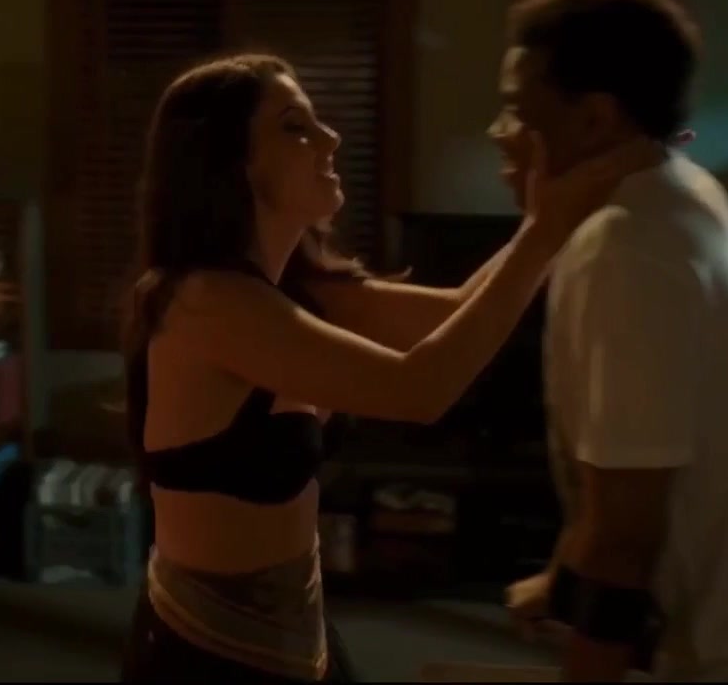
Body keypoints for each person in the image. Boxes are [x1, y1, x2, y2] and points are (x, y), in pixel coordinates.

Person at [117, 52, 652, 683]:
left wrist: (550, 221)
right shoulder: (208, 300)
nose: (331, 138)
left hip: (297, 629)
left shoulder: (296, 286)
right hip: (207, 649)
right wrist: (545, 229)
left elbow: (452, 312)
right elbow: (418, 388)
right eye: (296, 127)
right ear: (230, 163)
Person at [493, 0, 728, 682]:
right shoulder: (683, 188)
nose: (500, 134)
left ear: (594, 119)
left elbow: (624, 538)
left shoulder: (624, 247)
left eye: (516, 111)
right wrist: (561, 579)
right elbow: (628, 468)